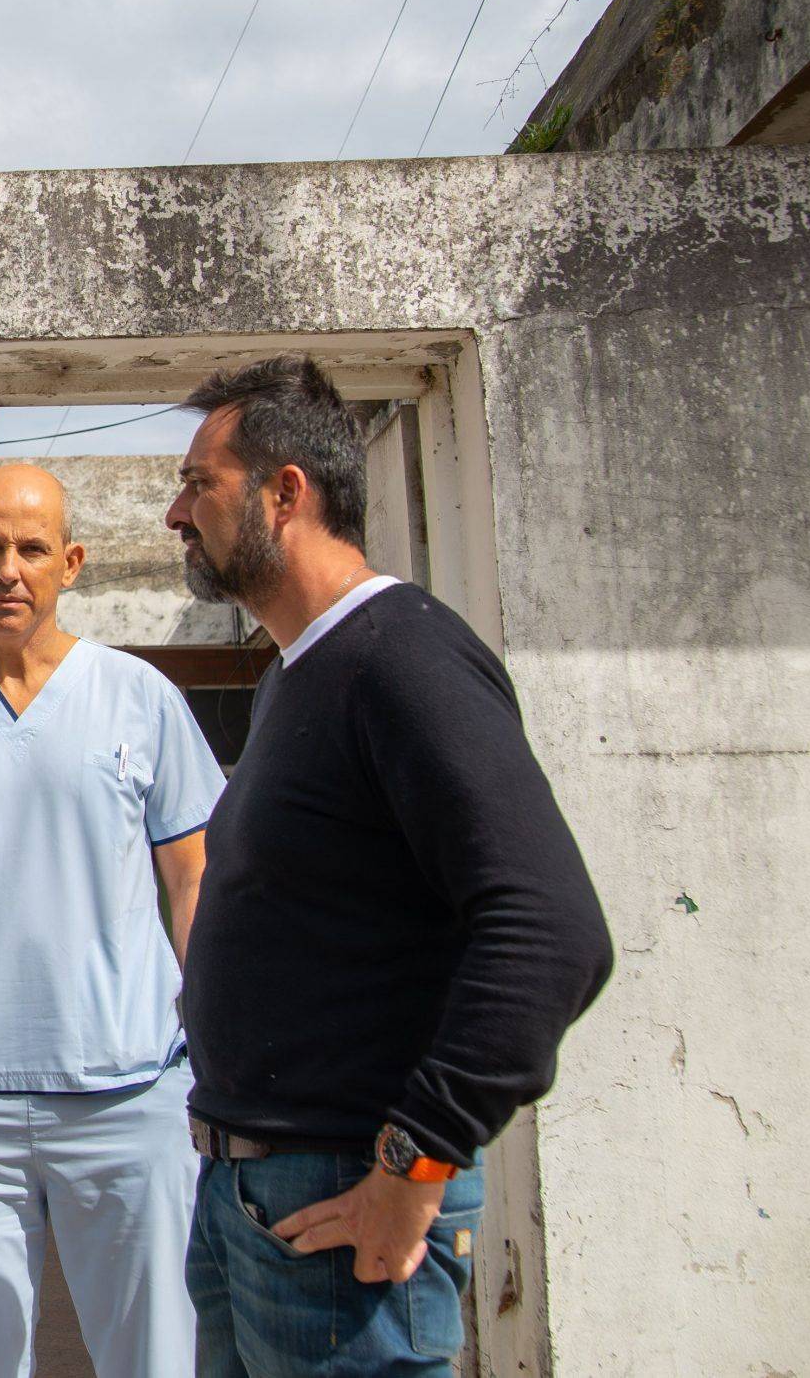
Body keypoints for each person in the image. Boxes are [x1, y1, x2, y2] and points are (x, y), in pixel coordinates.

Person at [166, 356, 613, 1378]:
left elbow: (550, 926)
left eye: (200, 482)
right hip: (248, 1202)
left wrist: (417, 1158)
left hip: (341, 1213)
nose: (174, 513)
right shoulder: (297, 675)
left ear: (287, 490)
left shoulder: (401, 657)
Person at [0, 462, 222, 1378]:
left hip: (129, 1093)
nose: (8, 569)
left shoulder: (142, 699)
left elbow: (194, 881)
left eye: (31, 548)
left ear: (72, 561)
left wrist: (208, 1049)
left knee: (159, 1361)